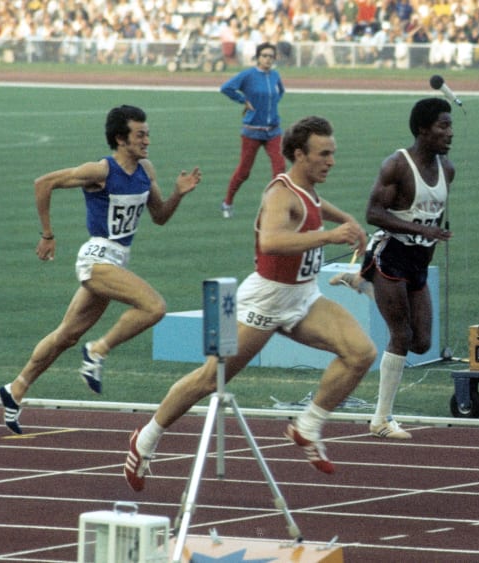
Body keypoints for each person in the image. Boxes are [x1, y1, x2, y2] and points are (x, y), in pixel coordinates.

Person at [124, 116, 375, 492]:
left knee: (361, 353)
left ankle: (308, 426)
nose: (331, 161)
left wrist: (347, 220)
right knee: (210, 379)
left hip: (303, 295)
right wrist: (331, 234)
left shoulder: (307, 189)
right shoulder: (280, 194)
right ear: (298, 155)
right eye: (323, 154)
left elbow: (313, 207)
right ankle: (145, 439)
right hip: (265, 299)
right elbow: (272, 242)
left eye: (333, 153)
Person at [0, 105, 202, 435]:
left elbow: (160, 216)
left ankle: (15, 388)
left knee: (67, 334)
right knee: (154, 307)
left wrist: (178, 193)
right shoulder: (101, 171)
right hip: (96, 257)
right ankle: (98, 350)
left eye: (147, 133)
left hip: (117, 260)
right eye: (140, 134)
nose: (147, 140)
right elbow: (43, 183)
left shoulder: (145, 170)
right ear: (121, 139)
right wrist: (47, 235)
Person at [331, 98, 455, 440]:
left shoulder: (448, 169)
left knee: (421, 343)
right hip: (390, 255)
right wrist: (422, 231)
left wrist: (431, 238)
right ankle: (381, 419)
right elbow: (373, 212)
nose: (450, 133)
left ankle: (362, 285)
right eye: (443, 126)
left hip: (417, 262)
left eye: (450, 126)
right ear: (422, 130)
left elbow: (433, 216)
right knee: (400, 336)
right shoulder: (397, 166)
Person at [219, 42, 286, 219]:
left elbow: (281, 92)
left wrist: (270, 107)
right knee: (244, 171)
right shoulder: (248, 75)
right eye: (264, 55)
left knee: (280, 169)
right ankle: (227, 202)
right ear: (258, 57)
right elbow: (226, 88)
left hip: (273, 130)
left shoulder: (275, 75)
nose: (268, 59)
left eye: (271, 56)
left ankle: (275, 206)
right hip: (252, 130)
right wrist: (243, 101)